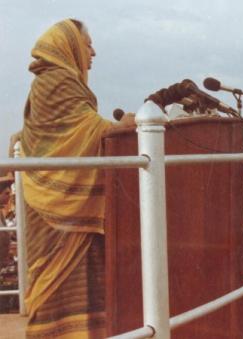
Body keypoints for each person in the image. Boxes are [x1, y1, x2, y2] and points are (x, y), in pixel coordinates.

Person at [21, 19, 134, 338]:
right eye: (88, 45)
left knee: (76, 280)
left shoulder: (50, 83)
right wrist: (123, 126)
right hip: (57, 210)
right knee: (57, 281)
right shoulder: (57, 82)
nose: (93, 51)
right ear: (69, 45)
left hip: (62, 208)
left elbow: (67, 134)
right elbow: (86, 131)